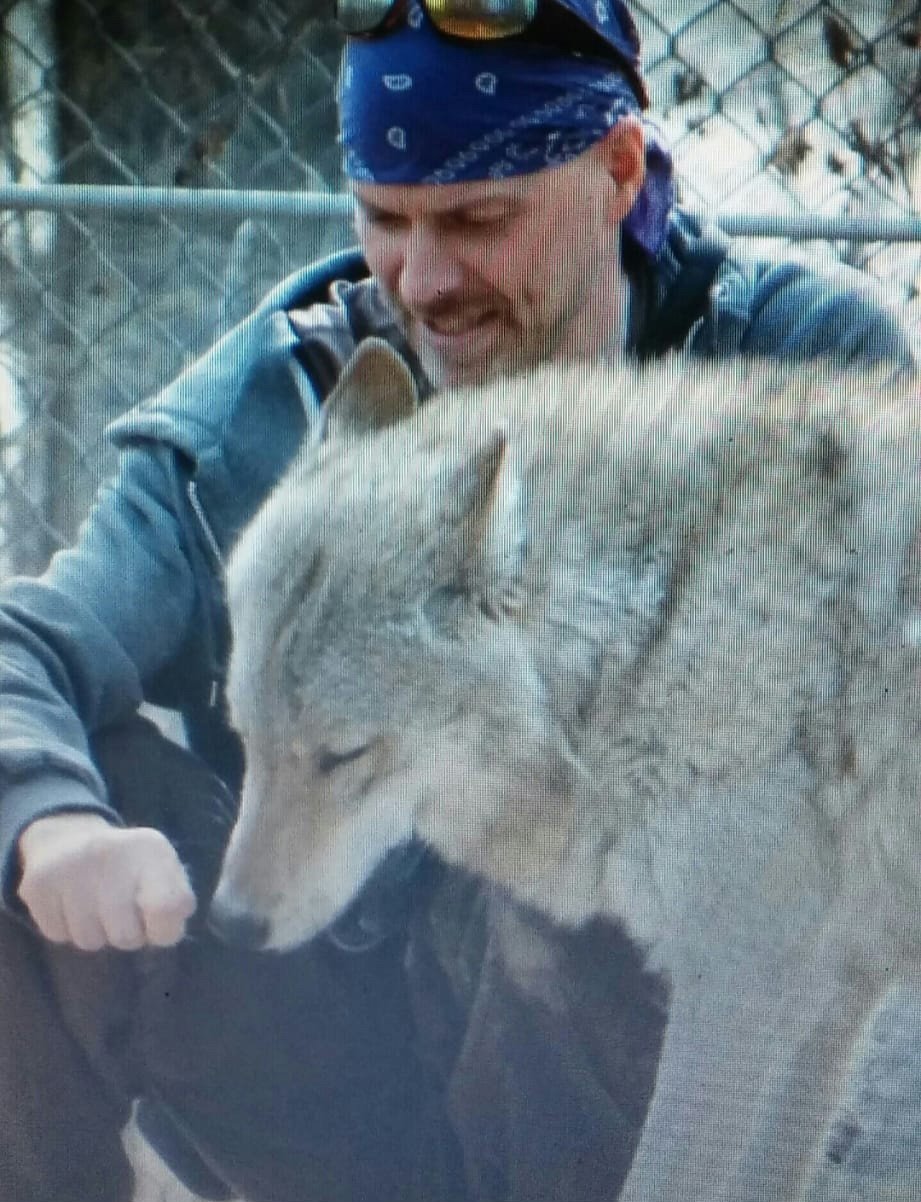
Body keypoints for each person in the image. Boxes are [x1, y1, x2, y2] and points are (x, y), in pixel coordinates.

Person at [0, 2, 918, 1200]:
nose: (424, 281)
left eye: (479, 219)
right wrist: (52, 820)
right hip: (344, 1055)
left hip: (611, 1072)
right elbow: (27, 644)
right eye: (386, 219)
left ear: (615, 171)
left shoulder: (790, 364)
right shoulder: (293, 384)